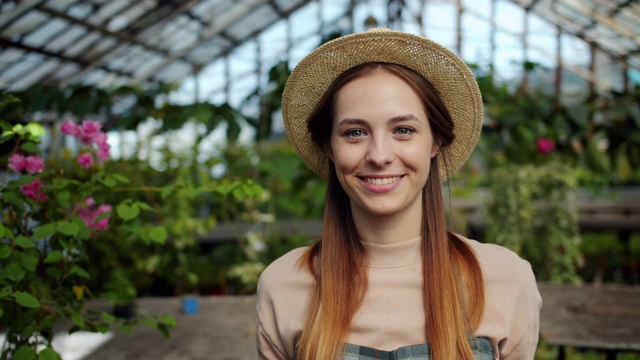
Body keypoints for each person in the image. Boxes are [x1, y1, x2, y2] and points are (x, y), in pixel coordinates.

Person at [256, 28, 541, 360]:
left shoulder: (505, 279)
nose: (379, 155)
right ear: (329, 147)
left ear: (436, 141)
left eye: (403, 130)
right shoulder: (283, 285)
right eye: (355, 132)